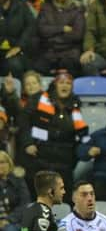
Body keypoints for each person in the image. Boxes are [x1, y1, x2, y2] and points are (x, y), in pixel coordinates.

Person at [18, 72, 89, 203]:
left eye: (68, 83)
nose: (65, 86)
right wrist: (28, 143)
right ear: (55, 85)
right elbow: (23, 122)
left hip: (64, 161)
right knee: (38, 199)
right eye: (61, 82)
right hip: (39, 157)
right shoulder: (38, 99)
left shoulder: (75, 106)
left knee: (63, 199)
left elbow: (80, 134)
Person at [34, 0, 85, 76]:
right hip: (49, 51)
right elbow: (41, 30)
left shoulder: (77, 9)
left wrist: (53, 37)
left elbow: (77, 35)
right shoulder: (46, 7)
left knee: (73, 64)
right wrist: (62, 28)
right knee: (37, 66)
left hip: (70, 52)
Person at [0, 0, 35, 78]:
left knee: (14, 65)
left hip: (17, 50)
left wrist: (19, 46)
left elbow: (31, 26)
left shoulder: (21, 6)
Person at [0, 151, 30, 231]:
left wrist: (8, 220)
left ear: (9, 164)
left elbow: (24, 204)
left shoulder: (18, 181)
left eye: (2, 162)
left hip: (14, 221)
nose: (0, 165)